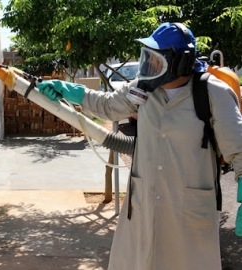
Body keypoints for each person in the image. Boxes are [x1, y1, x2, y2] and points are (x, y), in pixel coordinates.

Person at [36, 22, 242, 270]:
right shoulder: (144, 89)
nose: (149, 67)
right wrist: (70, 92)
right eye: (148, 58)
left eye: (157, 60)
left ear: (180, 62)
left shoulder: (212, 93)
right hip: (143, 207)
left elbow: (238, 149)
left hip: (188, 213)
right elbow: (107, 105)